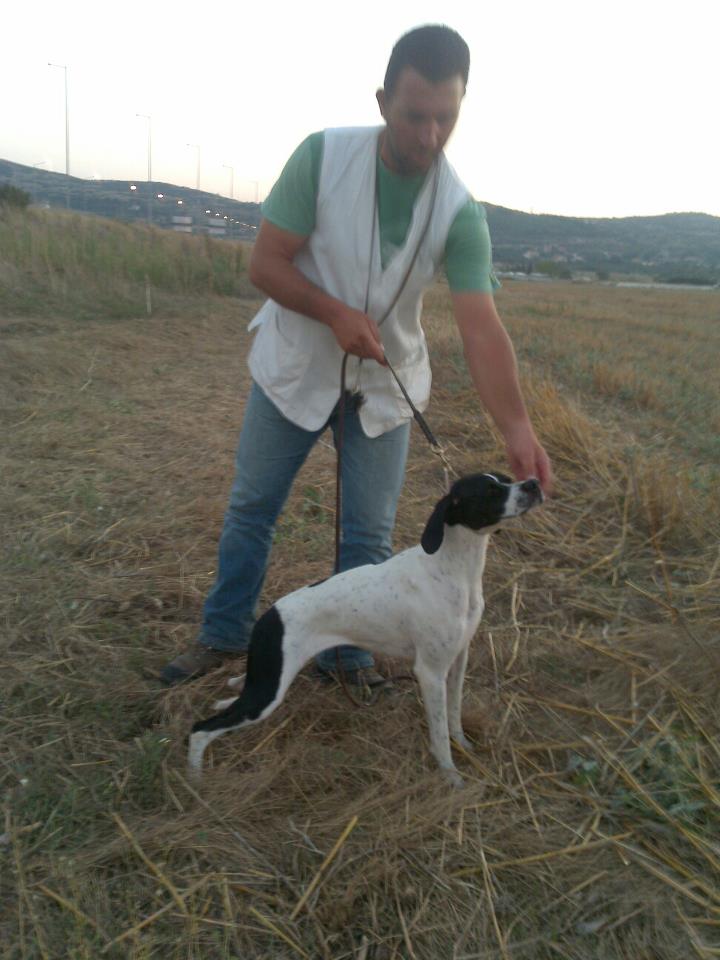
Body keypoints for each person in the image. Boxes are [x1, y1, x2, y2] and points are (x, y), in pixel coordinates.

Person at [161, 24, 552, 687]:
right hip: (295, 367)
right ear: (382, 102)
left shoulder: (461, 212)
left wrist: (517, 428)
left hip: (386, 384)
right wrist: (335, 313)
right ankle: (223, 634)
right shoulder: (323, 157)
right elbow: (265, 264)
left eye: (446, 118)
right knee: (253, 508)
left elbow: (481, 329)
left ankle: (345, 658)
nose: (430, 136)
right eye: (415, 116)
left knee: (368, 534)